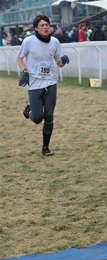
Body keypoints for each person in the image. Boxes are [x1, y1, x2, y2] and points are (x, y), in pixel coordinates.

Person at [16, 15, 70, 156]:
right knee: (38, 118)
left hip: (51, 81)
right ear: (36, 28)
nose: (46, 27)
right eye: (42, 25)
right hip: (34, 83)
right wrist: (25, 70)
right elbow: (18, 58)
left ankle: (45, 147)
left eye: (47, 24)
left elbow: (59, 63)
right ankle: (30, 108)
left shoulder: (55, 42)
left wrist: (63, 60)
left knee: (49, 115)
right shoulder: (28, 41)